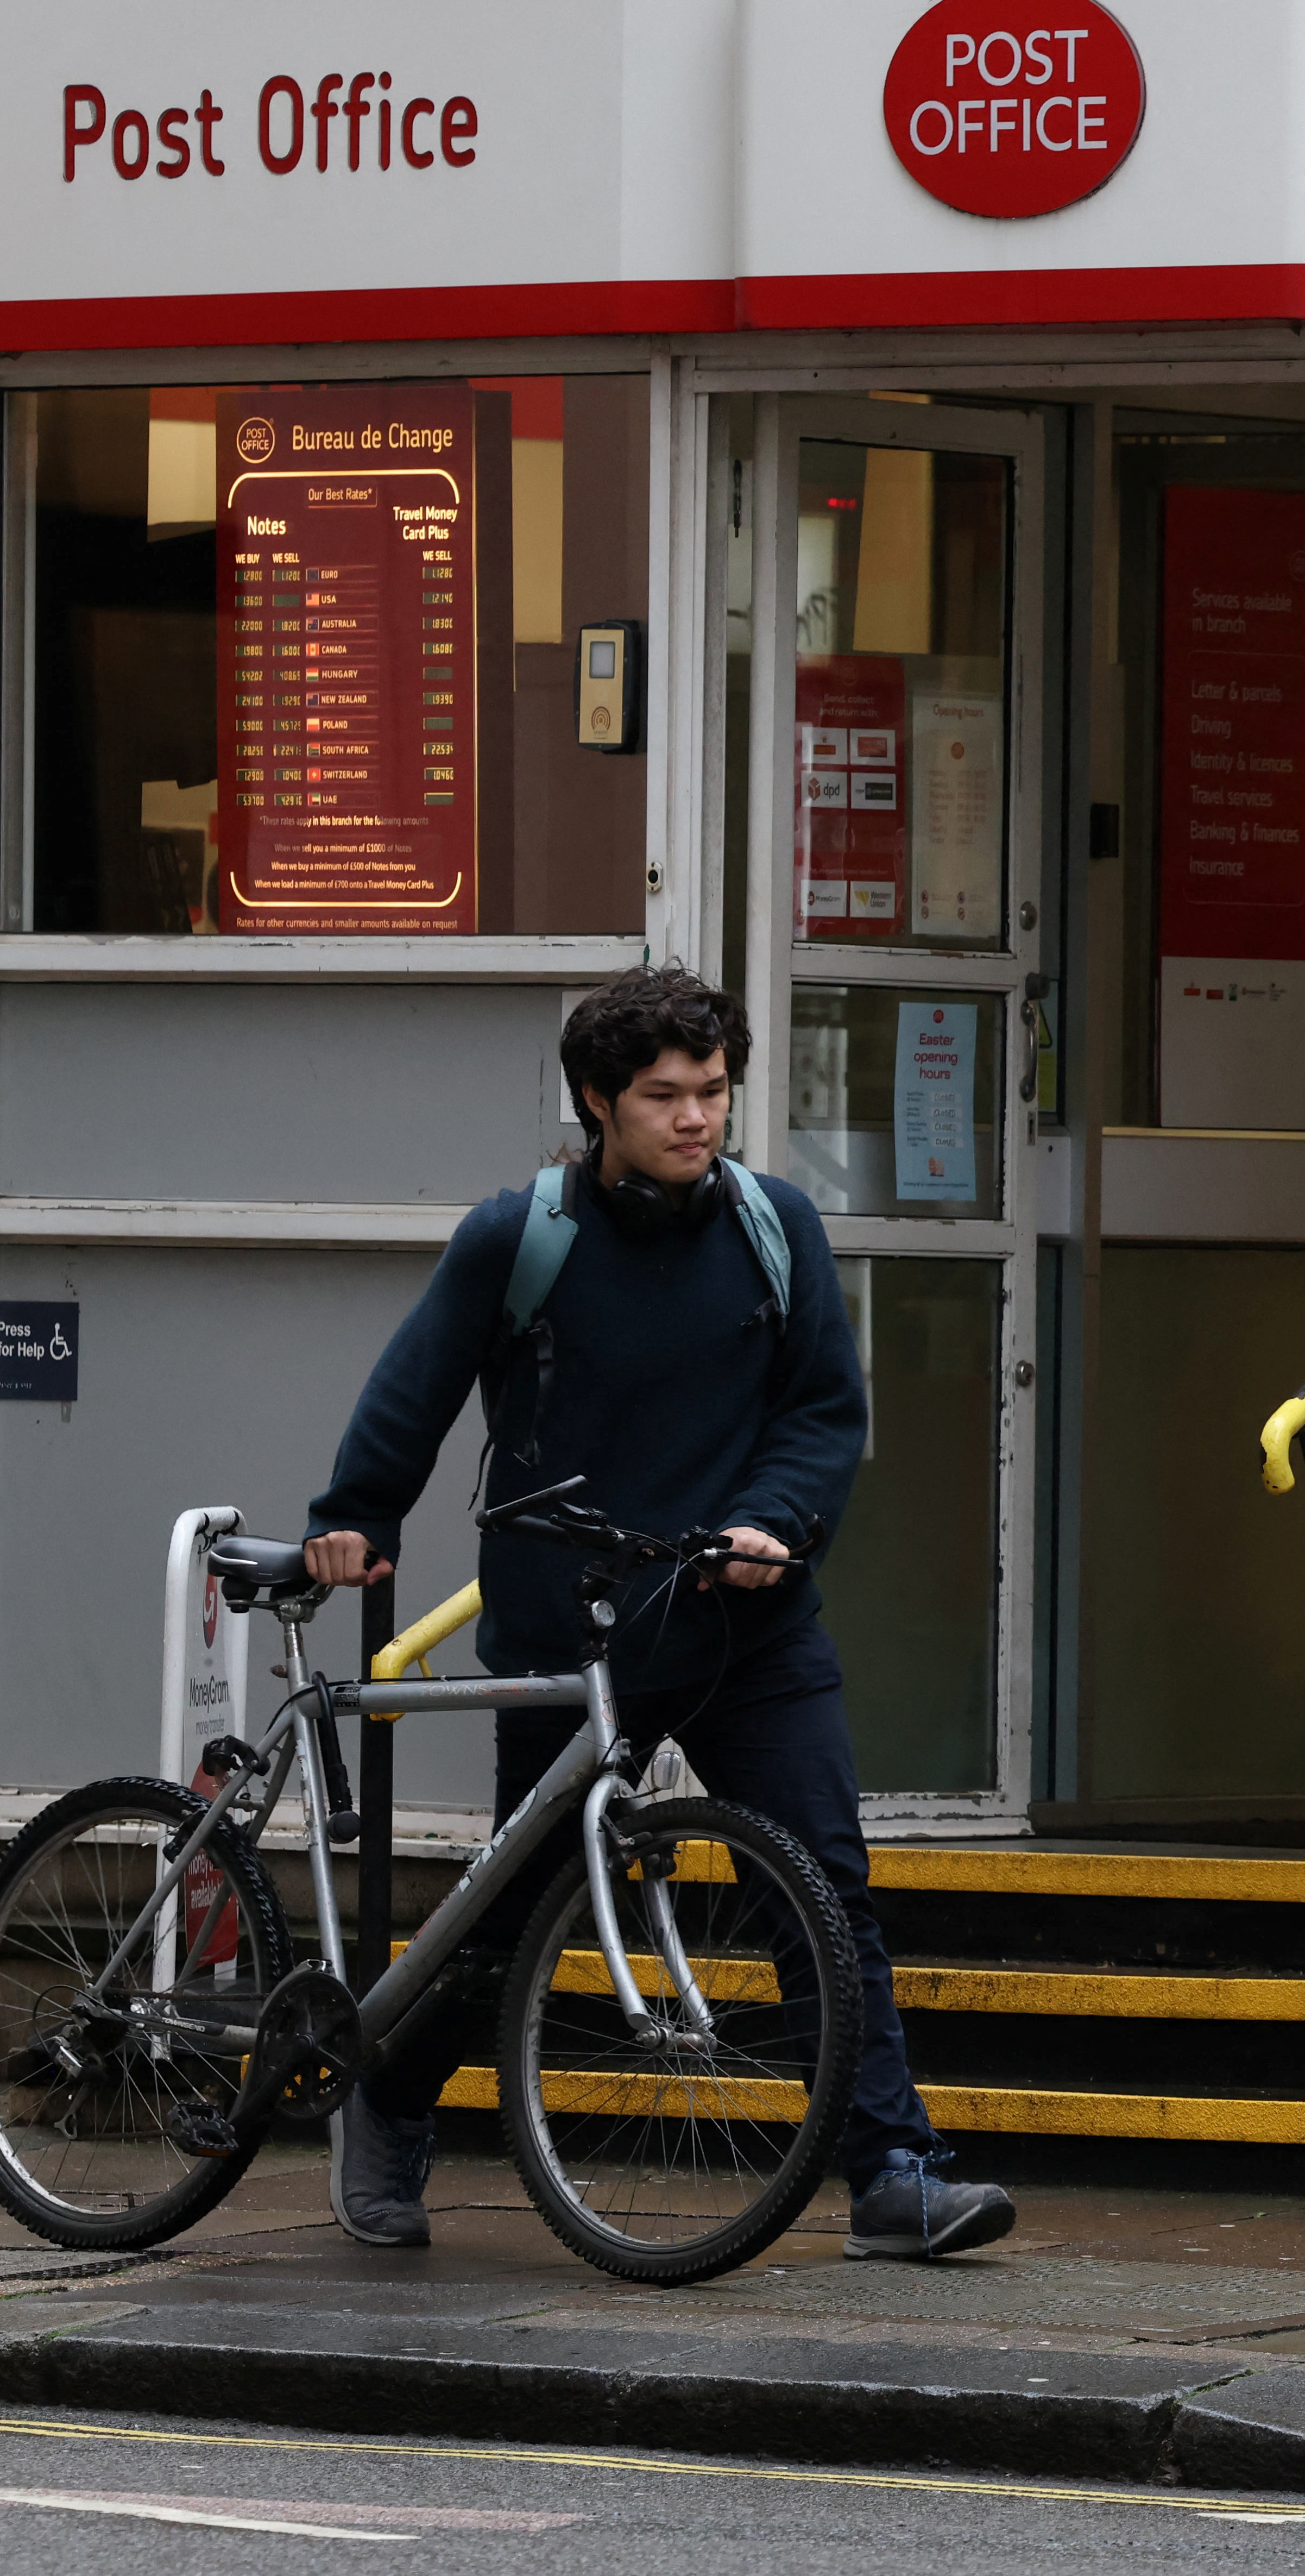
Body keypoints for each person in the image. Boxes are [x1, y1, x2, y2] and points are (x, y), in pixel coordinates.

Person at [297, 964, 1012, 2263]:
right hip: (574, 1631)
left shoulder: (775, 1226)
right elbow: (418, 1387)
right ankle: (390, 2102)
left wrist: (777, 1526)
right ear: (598, 1101)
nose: (696, 1119)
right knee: (515, 1914)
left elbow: (820, 1415)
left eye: (715, 1093)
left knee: (822, 1887)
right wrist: (358, 1517)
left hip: (747, 1620)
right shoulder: (521, 1238)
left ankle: (894, 2173)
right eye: (666, 1095)